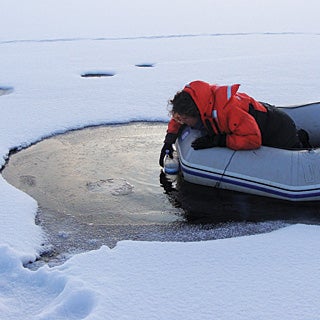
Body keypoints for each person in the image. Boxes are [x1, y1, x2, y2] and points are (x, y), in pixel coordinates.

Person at [159, 80, 306, 167]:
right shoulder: (198, 103)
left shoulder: (228, 111)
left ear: (196, 113)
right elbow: (178, 118)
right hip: (262, 118)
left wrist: (219, 140)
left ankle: (303, 140)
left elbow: (252, 139)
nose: (181, 122)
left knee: (296, 156)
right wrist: (169, 140)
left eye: (183, 119)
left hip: (277, 129)